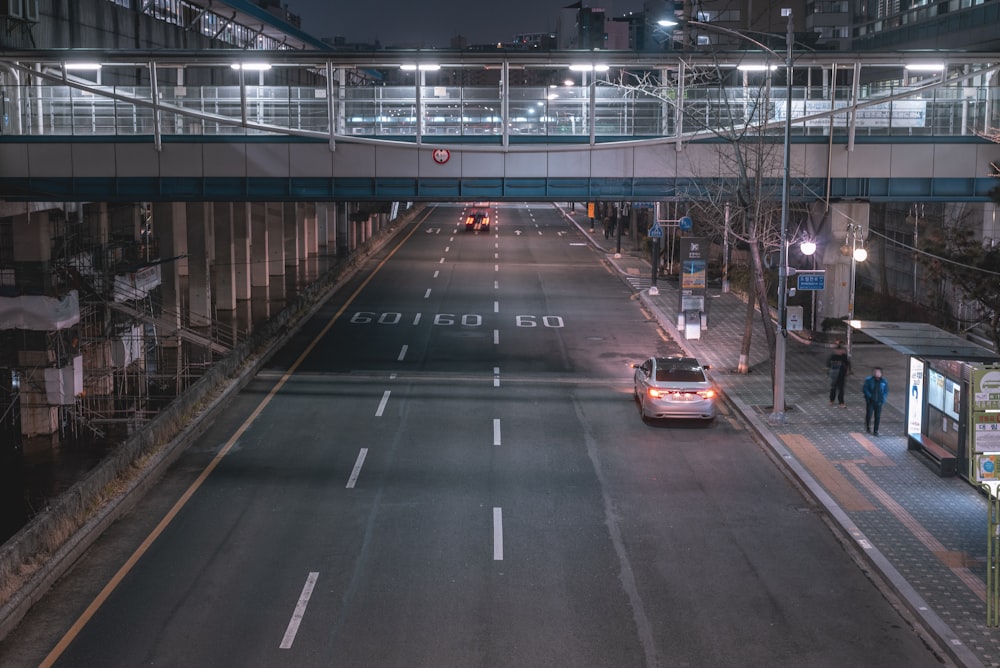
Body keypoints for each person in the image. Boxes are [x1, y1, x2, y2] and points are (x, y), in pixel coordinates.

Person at [863, 367, 889, 436]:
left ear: (881, 373)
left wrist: (883, 399)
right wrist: (869, 396)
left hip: (879, 401)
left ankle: (876, 430)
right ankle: (868, 426)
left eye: (879, 372)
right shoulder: (869, 380)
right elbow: (865, 389)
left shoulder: (884, 381)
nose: (877, 373)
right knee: (869, 414)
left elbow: (886, 391)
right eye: (876, 372)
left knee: (877, 416)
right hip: (871, 401)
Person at [827, 340, 850, 407]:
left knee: (841, 389)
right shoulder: (833, 356)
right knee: (833, 388)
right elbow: (829, 364)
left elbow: (847, 363)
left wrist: (848, 370)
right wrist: (829, 371)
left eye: (841, 350)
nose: (840, 351)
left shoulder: (844, 356)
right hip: (834, 374)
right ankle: (832, 400)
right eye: (839, 350)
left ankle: (841, 402)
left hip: (841, 374)